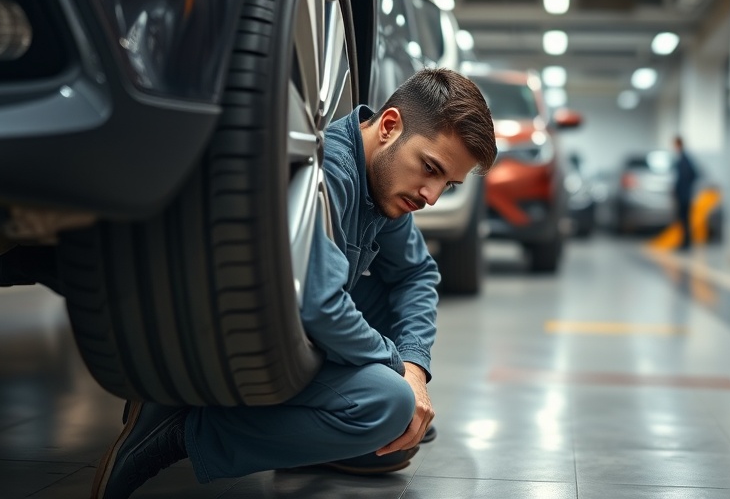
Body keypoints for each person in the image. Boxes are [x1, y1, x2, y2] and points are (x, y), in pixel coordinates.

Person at [90, 68, 497, 499]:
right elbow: (319, 306)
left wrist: (415, 370)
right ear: (390, 125)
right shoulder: (331, 173)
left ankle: (318, 432)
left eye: (447, 185)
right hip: (229, 333)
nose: (431, 196)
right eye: (430, 169)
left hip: (294, 334)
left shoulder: (385, 183)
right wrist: (399, 374)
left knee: (406, 423)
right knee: (391, 406)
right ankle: (178, 429)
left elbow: (417, 273)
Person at [672, 135, 699, 250]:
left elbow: (694, 174)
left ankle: (686, 243)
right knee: (682, 219)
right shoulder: (681, 159)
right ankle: (684, 242)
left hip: (685, 195)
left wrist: (686, 186)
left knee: (685, 219)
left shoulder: (685, 159)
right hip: (682, 194)